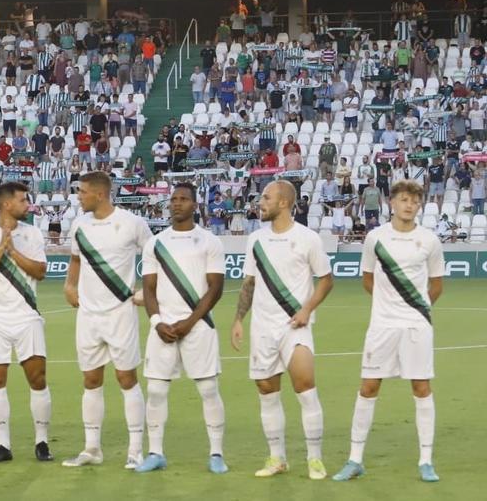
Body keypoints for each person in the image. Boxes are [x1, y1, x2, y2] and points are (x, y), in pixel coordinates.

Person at [332, 180, 444, 483]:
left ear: (419, 205)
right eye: (404, 199)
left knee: (421, 387)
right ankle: (355, 459)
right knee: (368, 387)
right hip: (382, 325)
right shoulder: (375, 238)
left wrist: (415, 308)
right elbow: (367, 279)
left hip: (417, 326)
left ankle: (426, 461)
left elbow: (436, 285)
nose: (409, 205)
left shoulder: (430, 240)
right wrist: (388, 305)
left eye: (415, 201)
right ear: (391, 203)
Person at [231, 181, 332, 480]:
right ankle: (277, 458)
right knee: (266, 392)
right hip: (262, 328)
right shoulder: (255, 240)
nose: (260, 202)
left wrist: (306, 310)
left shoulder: (308, 238)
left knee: (305, 387)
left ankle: (315, 459)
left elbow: (326, 280)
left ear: (284, 203)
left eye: (266, 197)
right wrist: (239, 319)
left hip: (294, 326)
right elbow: (249, 283)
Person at [134, 183, 227, 474]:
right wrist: (157, 322)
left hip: (198, 327)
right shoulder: (155, 243)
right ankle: (156, 452)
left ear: (195, 205)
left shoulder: (210, 241)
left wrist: (188, 322)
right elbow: (149, 289)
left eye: (184, 199)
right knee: (157, 390)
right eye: (173, 199)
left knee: (209, 388)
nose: (176, 204)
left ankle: (216, 454)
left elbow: (216, 288)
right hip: (163, 328)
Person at [62, 171, 151, 469]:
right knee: (90, 380)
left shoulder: (131, 223)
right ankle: (91, 449)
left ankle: (136, 450)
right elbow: (75, 259)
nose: (79, 196)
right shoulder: (79, 225)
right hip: (88, 315)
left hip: (120, 313)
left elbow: (154, 258)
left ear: (99, 194)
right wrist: (70, 285)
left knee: (127, 379)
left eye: (83, 192)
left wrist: (146, 292)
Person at [0, 181, 52, 464]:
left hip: (27, 315)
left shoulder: (33, 233)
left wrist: (13, 251)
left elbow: (40, 271)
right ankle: (2, 444)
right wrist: (0, 249)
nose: (27, 204)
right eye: (23, 200)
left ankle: (42, 441)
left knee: (37, 379)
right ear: (6, 204)